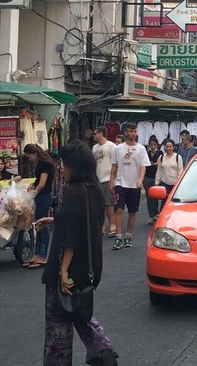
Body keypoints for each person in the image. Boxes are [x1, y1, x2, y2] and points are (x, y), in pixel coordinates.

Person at [36, 140, 118, 366]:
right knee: (78, 311)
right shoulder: (94, 191)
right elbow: (83, 222)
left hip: (68, 265)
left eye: (63, 164)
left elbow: (71, 234)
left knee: (58, 325)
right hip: (89, 265)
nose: (62, 170)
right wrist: (55, 219)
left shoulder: (71, 192)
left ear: (73, 166)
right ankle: (102, 348)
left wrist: (63, 271)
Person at [109, 123, 150, 250]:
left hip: (134, 185)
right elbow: (114, 166)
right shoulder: (118, 148)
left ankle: (128, 235)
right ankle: (119, 236)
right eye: (130, 131)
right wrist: (112, 181)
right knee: (119, 210)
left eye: (134, 131)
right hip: (120, 183)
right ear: (126, 132)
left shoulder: (141, 149)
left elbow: (143, 166)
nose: (133, 134)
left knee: (132, 212)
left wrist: (140, 180)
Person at [25, 143, 57, 270]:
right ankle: (37, 254)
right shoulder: (43, 164)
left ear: (34, 154)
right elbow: (39, 181)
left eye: (29, 157)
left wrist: (34, 193)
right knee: (38, 226)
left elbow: (42, 183)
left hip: (43, 197)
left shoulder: (44, 165)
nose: (29, 159)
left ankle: (42, 256)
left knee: (42, 225)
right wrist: (33, 185)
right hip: (42, 196)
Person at [92, 127, 117, 238]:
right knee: (98, 205)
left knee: (108, 204)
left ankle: (112, 225)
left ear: (101, 133)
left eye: (95, 133)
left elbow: (116, 163)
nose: (93, 135)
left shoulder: (111, 146)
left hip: (107, 178)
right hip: (97, 179)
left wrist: (114, 179)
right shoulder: (94, 148)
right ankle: (101, 225)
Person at [154, 139, 182, 205]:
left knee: (174, 202)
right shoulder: (161, 157)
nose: (168, 148)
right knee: (164, 203)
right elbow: (159, 170)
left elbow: (180, 171)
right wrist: (156, 182)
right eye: (166, 147)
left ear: (173, 147)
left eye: (170, 147)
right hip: (164, 183)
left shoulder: (178, 157)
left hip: (175, 184)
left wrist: (178, 184)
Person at [143, 137, 163, 225]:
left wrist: (154, 164)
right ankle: (152, 215)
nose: (153, 147)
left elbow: (161, 164)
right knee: (149, 197)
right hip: (147, 177)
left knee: (156, 197)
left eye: (154, 145)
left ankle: (157, 214)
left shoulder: (160, 153)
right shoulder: (146, 153)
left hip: (156, 177)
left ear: (157, 145)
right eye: (151, 145)